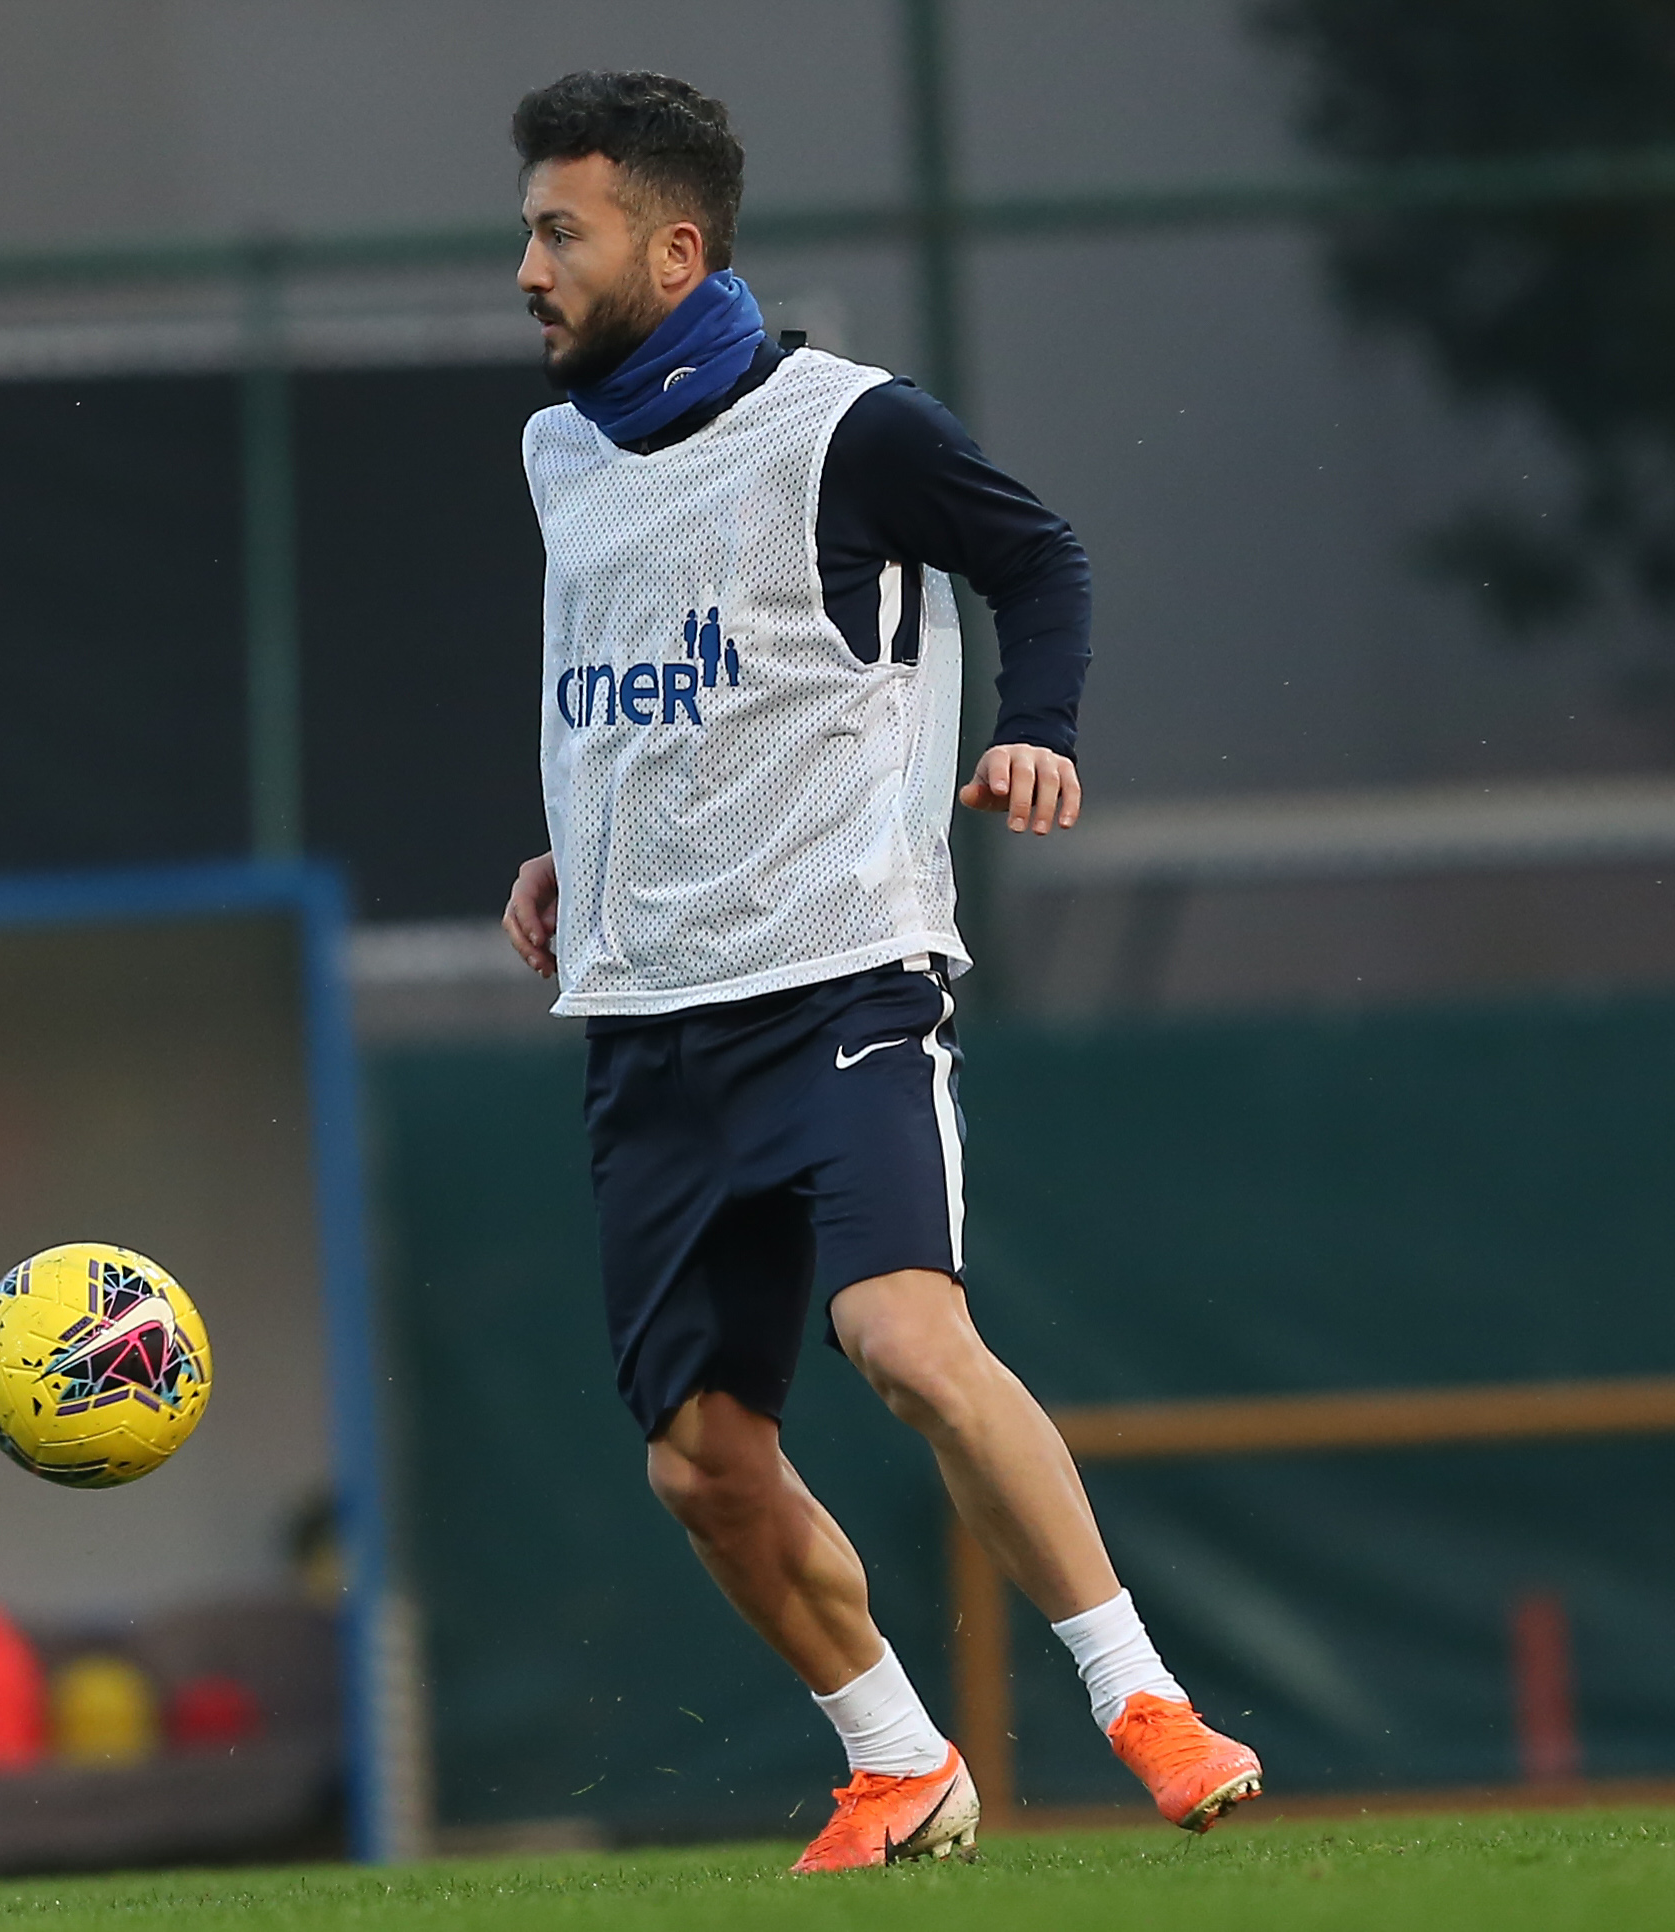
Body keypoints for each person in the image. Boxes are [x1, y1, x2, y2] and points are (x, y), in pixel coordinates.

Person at [496, 73, 1262, 1873]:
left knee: (906, 1342)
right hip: (643, 1020)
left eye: (560, 232)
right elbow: (633, 684)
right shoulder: (557, 454)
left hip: (838, 982)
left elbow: (1039, 559)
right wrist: (571, 841)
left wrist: (1040, 726)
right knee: (700, 1463)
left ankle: (1141, 1697)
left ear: (675, 250)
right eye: (528, 231)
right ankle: (899, 1758)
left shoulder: (850, 427)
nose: (526, 268)